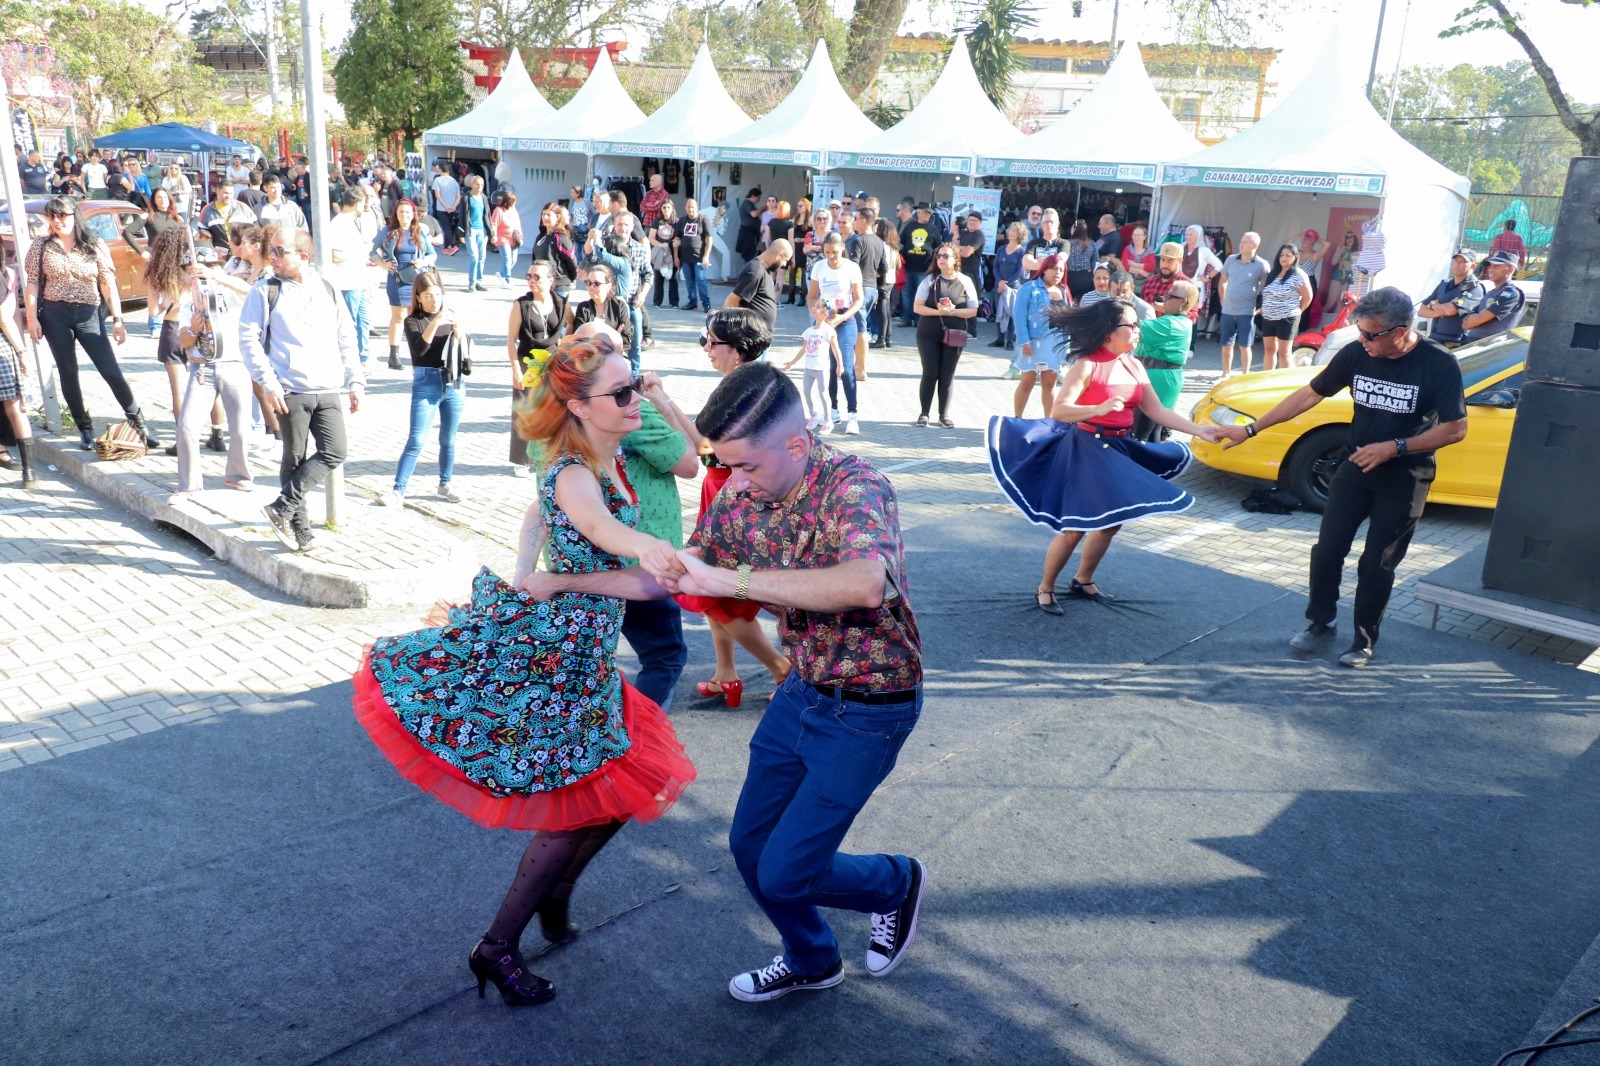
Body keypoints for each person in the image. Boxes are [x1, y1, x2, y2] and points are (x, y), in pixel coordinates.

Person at [352, 333, 696, 1009]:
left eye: (636, 386)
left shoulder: (611, 451)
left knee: (621, 788)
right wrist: (647, 562)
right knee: (580, 805)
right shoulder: (576, 470)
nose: (636, 401)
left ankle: (557, 889)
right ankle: (497, 946)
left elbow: (544, 514)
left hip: (583, 656)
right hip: (556, 661)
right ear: (578, 405)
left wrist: (533, 571)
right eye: (622, 393)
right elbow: (602, 531)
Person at [670, 361, 928, 1002]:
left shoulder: (855, 486)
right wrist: (561, 582)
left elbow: (865, 581)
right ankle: (813, 959)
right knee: (750, 847)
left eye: (745, 465)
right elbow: (689, 566)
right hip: (802, 690)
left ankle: (894, 882)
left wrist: (729, 582)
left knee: (785, 874)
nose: (731, 480)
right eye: (724, 465)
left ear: (795, 443)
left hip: (871, 706)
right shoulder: (743, 488)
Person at [1213, 287, 1467, 667]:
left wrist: (1394, 447)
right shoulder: (1357, 353)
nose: (1361, 340)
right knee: (1329, 549)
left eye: (1369, 334)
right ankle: (1321, 622)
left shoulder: (1439, 365)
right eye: (1359, 331)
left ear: (1398, 332)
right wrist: (1251, 429)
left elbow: (1455, 429)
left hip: (1405, 476)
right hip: (1354, 467)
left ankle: (1363, 640)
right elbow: (1308, 395)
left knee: (1377, 563)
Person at [986, 298, 1219, 614]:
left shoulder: (1134, 364)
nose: (1138, 331)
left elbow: (1157, 410)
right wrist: (1097, 408)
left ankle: (1082, 579)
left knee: (1111, 523)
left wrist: (1198, 430)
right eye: (1131, 325)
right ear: (1109, 332)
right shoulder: (1087, 364)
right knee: (1074, 529)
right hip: (1086, 448)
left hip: (1121, 447)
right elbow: (1060, 410)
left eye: (1137, 325)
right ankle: (1045, 587)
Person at [241, 227, 364, 553]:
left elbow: (347, 337)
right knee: (293, 458)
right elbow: (249, 340)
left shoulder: (327, 288)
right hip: (290, 391)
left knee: (335, 451)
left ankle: (281, 507)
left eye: (281, 252)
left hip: (328, 388)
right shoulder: (265, 290)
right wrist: (268, 383)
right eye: (273, 251)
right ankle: (300, 529)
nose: (273, 257)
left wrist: (356, 381)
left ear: (303, 257)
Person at [23, 197, 157, 450]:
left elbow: (108, 283)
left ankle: (138, 424)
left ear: (75, 216)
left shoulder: (94, 245)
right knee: (68, 372)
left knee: (110, 371)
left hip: (88, 313)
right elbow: (32, 283)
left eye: (62, 215)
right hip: (54, 313)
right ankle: (84, 427)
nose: (57, 221)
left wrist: (118, 319)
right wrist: (32, 319)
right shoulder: (41, 246)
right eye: (52, 216)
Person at [171, 243, 256, 499]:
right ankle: (188, 485)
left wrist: (217, 276)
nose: (202, 273)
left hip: (234, 364)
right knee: (186, 426)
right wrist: (194, 330)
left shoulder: (230, 292)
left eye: (209, 267)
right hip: (203, 368)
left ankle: (238, 475)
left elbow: (248, 290)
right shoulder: (188, 302)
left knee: (240, 427)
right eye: (196, 270)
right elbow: (183, 341)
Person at [378, 272, 467, 507]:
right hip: (426, 382)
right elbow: (419, 349)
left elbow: (466, 360)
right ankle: (398, 490)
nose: (434, 300)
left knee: (448, 439)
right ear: (418, 297)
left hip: (453, 383)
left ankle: (444, 484)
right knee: (416, 439)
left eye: (438, 294)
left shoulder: (451, 317)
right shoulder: (413, 321)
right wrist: (437, 321)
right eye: (428, 295)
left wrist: (459, 330)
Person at [141, 227, 219, 453]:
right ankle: (217, 433)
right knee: (211, 382)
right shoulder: (192, 269)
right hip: (198, 327)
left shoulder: (158, 273)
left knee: (178, 390)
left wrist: (165, 300)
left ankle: (183, 441)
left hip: (173, 328)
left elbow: (154, 311)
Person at [912, 241, 978, 429]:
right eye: (939, 256)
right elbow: (917, 307)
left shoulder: (965, 280)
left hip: (955, 333)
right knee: (930, 372)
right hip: (928, 333)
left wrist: (954, 311)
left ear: (955, 259)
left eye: (946, 256)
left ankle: (943, 415)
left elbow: (973, 310)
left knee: (947, 374)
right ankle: (924, 413)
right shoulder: (930, 280)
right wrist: (939, 312)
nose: (941, 259)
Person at [508, 260, 565, 476]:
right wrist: (516, 369)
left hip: (552, 363)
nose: (531, 281)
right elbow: (511, 340)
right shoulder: (521, 304)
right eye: (529, 276)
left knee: (552, 409)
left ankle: (551, 453)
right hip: (527, 363)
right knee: (524, 411)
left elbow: (568, 331)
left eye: (536, 277)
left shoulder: (561, 303)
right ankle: (522, 459)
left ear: (550, 280)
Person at [807, 233, 864, 435]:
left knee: (845, 368)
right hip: (825, 319)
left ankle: (853, 414)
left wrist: (843, 316)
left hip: (845, 320)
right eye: (827, 252)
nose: (831, 256)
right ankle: (832, 411)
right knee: (828, 367)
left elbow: (858, 299)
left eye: (835, 252)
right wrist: (817, 313)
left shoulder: (851, 267)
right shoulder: (819, 267)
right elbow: (812, 295)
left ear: (842, 248)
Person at [371, 199, 437, 371]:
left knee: (416, 316)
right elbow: (371, 250)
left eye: (408, 212)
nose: (404, 215)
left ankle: (419, 352)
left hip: (416, 279)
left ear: (413, 214)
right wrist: (382, 264)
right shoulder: (388, 231)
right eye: (401, 212)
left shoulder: (419, 232)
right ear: (396, 214)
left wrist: (422, 261)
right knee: (399, 317)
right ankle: (394, 356)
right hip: (397, 279)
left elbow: (432, 254)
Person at [1130, 281, 1198, 442]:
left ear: (1183, 302)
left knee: (1140, 433)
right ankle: (1154, 465)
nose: (1164, 299)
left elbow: (1133, 326)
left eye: (1170, 296)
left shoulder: (1170, 324)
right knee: (1153, 432)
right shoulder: (1182, 321)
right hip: (1166, 378)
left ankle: (1142, 465)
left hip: (1158, 379)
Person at [0, 241, 39, 488]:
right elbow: (6, 317)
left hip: (6, 343)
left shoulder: (8, 274)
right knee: (15, 407)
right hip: (4, 344)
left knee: (13, 407)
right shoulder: (7, 273)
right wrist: (22, 351)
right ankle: (30, 472)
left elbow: (11, 316)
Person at [1011, 254, 1069, 418]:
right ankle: (1018, 419)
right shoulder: (1029, 287)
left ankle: (1048, 420)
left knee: (1050, 385)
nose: (1057, 273)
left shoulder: (1063, 290)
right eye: (1054, 268)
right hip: (1034, 340)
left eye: (1061, 270)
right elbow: (1019, 315)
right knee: (1027, 382)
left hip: (1055, 342)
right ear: (1044, 269)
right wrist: (1024, 341)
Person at [324, 188, 375, 369]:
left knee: (364, 320)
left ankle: (363, 357)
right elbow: (335, 256)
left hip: (358, 279)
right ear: (357, 203)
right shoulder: (338, 224)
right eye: (363, 202)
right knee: (350, 323)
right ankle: (349, 361)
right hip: (346, 281)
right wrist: (360, 250)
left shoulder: (353, 221)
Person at [784, 298, 844, 432]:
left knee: (823, 394)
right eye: (814, 306)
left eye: (817, 307)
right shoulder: (809, 331)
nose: (813, 308)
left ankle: (828, 421)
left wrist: (840, 365)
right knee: (806, 392)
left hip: (821, 368)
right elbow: (803, 349)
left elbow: (836, 349)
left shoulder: (828, 331)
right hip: (808, 368)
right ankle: (814, 415)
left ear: (825, 313)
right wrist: (792, 362)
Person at [1216, 231, 1268, 377]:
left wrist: (1261, 307)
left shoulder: (1262, 265)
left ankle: (1245, 375)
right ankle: (1225, 373)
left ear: (1255, 245)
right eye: (1241, 241)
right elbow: (1222, 281)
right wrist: (1222, 299)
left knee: (1245, 345)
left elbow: (1267, 289)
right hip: (1228, 310)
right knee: (1226, 344)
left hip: (1246, 311)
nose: (1241, 244)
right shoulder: (1231, 260)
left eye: (1245, 242)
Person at [1257, 243, 1313, 372]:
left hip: (1287, 318)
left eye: (1288, 255)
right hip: (1268, 317)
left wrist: (1298, 311)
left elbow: (1307, 297)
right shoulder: (1273, 273)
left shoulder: (1298, 274)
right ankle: (1266, 378)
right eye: (1281, 255)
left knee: (1284, 352)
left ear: (1295, 257)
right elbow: (1267, 293)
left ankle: (1284, 381)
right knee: (1269, 350)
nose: (1284, 258)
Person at [847, 207, 887, 378]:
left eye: (855, 218)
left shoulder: (858, 240)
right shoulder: (879, 241)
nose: (854, 222)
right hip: (872, 288)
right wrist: (871, 276)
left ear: (863, 221)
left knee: (861, 329)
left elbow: (853, 265)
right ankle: (857, 364)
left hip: (860, 288)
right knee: (859, 326)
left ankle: (861, 368)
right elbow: (884, 268)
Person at [1416, 250, 1486, 347]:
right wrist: (1441, 310)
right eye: (1456, 260)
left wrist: (1433, 305)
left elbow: (1450, 311)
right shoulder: (1444, 284)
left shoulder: (1473, 288)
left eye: (1462, 261)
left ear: (1473, 266)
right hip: (1434, 340)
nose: (1457, 264)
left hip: (1455, 344)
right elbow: (1421, 311)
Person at [1459, 250, 1526, 343]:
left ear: (1510, 270)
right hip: (1474, 344)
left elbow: (1480, 318)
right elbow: (1465, 324)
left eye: (1497, 266)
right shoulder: (1491, 293)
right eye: (1490, 265)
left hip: (1490, 347)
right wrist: (1476, 318)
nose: (1491, 269)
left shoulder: (1510, 294)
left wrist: (1477, 318)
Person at [565, 262, 632, 352]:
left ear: (609, 285)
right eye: (589, 283)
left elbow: (626, 337)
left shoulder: (619, 306)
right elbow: (580, 338)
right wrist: (614, 336)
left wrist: (594, 339)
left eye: (596, 283)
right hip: (590, 357)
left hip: (615, 354)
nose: (591, 287)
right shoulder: (583, 308)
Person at [725, 239, 791, 328]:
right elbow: (731, 302)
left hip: (759, 334)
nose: (784, 264)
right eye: (785, 260)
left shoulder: (763, 269)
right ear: (779, 255)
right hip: (749, 334)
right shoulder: (755, 271)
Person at [897, 203, 943, 327]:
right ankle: (906, 318)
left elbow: (939, 247)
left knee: (921, 294)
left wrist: (935, 264)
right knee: (906, 294)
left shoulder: (933, 229)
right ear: (919, 212)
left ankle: (919, 319)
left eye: (929, 213)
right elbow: (900, 244)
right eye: (926, 212)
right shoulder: (910, 226)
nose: (928, 215)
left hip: (924, 268)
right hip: (908, 266)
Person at [1180, 224, 1223, 336]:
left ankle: (1191, 346)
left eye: (1191, 234)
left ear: (1198, 236)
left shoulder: (1204, 251)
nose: (1188, 237)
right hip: (1179, 286)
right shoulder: (1181, 247)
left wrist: (1207, 277)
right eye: (1187, 234)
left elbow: (1219, 265)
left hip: (1195, 287)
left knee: (1192, 316)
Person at [991, 221, 1027, 350]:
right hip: (999, 286)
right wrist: (1000, 281)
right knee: (999, 311)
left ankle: (1010, 340)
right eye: (1010, 230)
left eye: (1014, 231)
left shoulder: (1021, 251)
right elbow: (995, 267)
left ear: (1020, 234)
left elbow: (1020, 271)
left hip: (1013, 287)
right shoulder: (1001, 249)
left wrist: (1007, 284)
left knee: (1012, 313)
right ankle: (1000, 338)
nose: (1010, 232)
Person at [674, 198, 712, 312]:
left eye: (693, 207)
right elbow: (676, 240)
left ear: (697, 208)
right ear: (685, 208)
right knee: (689, 280)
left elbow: (709, 239)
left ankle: (706, 304)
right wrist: (676, 257)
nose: (690, 209)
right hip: (685, 257)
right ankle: (692, 302)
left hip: (699, 257)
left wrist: (706, 256)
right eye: (688, 207)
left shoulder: (703, 220)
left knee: (700, 279)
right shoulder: (682, 221)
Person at [872, 217, 901, 351]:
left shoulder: (882, 245)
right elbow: (898, 264)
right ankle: (887, 337)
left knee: (882, 309)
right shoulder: (893, 246)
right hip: (891, 278)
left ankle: (881, 338)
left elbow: (881, 264)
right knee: (887, 309)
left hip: (883, 279)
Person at [199, 184, 256, 252]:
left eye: (231, 193)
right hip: (220, 252)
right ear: (217, 191)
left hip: (240, 251)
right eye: (225, 193)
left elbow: (255, 228)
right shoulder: (207, 210)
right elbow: (203, 233)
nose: (228, 196)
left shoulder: (243, 207)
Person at [461, 174, 491, 292]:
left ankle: (479, 281)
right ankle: (472, 282)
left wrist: (491, 232)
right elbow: (462, 216)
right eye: (477, 184)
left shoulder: (484, 197)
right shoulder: (466, 197)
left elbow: (487, 215)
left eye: (482, 185)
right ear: (472, 184)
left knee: (482, 257)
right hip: (471, 230)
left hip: (482, 230)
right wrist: (461, 234)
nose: (480, 186)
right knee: (474, 255)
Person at [1140, 242, 1191, 309]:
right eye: (1163, 260)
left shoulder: (1187, 286)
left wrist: (1167, 309)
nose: (1165, 265)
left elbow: (1192, 316)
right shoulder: (1150, 282)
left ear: (1180, 261)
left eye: (1170, 261)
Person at [489, 190, 524, 286]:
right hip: (502, 238)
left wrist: (520, 234)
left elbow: (518, 223)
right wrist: (494, 236)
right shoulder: (498, 210)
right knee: (507, 259)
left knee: (513, 260)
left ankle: (501, 274)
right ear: (508, 201)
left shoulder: (513, 210)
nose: (515, 203)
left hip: (513, 238)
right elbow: (494, 224)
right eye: (513, 201)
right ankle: (508, 279)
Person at [648, 201, 679, 309]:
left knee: (673, 278)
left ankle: (674, 302)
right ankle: (657, 302)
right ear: (661, 209)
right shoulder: (657, 221)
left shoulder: (676, 222)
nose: (666, 210)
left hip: (672, 252)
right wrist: (661, 245)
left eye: (668, 207)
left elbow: (678, 239)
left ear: (672, 208)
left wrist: (676, 256)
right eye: (664, 207)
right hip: (659, 253)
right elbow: (651, 238)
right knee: (658, 277)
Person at [1322, 229, 1360, 316]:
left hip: (1348, 277)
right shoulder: (1341, 248)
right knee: (1330, 302)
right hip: (1338, 274)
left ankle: (1334, 326)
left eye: (1352, 237)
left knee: (1340, 303)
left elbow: (1357, 268)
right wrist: (1339, 249)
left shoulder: (1356, 252)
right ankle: (1317, 323)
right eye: (1347, 237)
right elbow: (1333, 262)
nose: (1350, 239)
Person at [430, 160, 461, 252]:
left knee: (445, 227)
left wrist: (445, 206)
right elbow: (458, 196)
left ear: (440, 170)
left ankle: (453, 245)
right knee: (450, 227)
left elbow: (437, 195)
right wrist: (453, 206)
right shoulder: (454, 181)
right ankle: (446, 248)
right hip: (452, 208)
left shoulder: (437, 180)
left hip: (441, 208)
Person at [736, 187, 763, 262]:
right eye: (758, 197)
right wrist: (762, 208)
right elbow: (754, 214)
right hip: (749, 235)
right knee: (750, 258)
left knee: (751, 257)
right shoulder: (748, 203)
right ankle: (748, 273)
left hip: (749, 234)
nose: (759, 200)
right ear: (753, 196)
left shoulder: (746, 203)